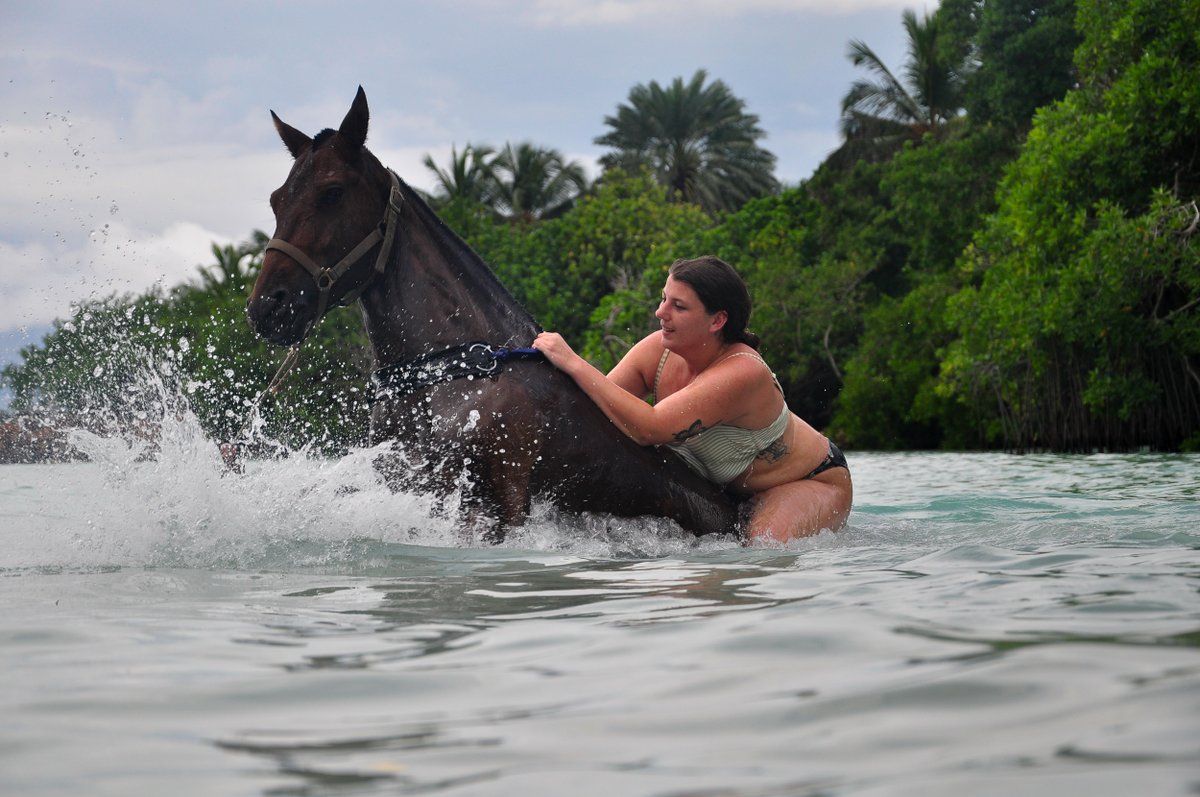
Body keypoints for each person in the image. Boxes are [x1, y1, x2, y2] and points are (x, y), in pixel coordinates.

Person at [532, 255, 852, 544]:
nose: (660, 312)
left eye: (679, 306)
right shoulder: (656, 350)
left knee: (762, 547)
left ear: (717, 321)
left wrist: (573, 361)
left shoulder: (743, 372)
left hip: (809, 480)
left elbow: (650, 428)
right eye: (663, 299)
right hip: (726, 485)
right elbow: (593, 412)